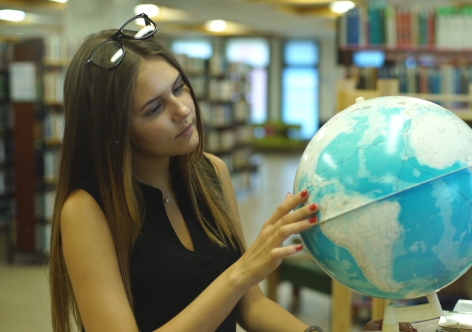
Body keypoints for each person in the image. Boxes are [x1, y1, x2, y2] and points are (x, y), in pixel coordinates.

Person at [48, 13, 416, 332]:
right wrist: (241, 273)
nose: (182, 109)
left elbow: (250, 306)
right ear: (115, 131)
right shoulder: (86, 210)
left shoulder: (210, 173)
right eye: (154, 108)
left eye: (179, 88)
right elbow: (238, 287)